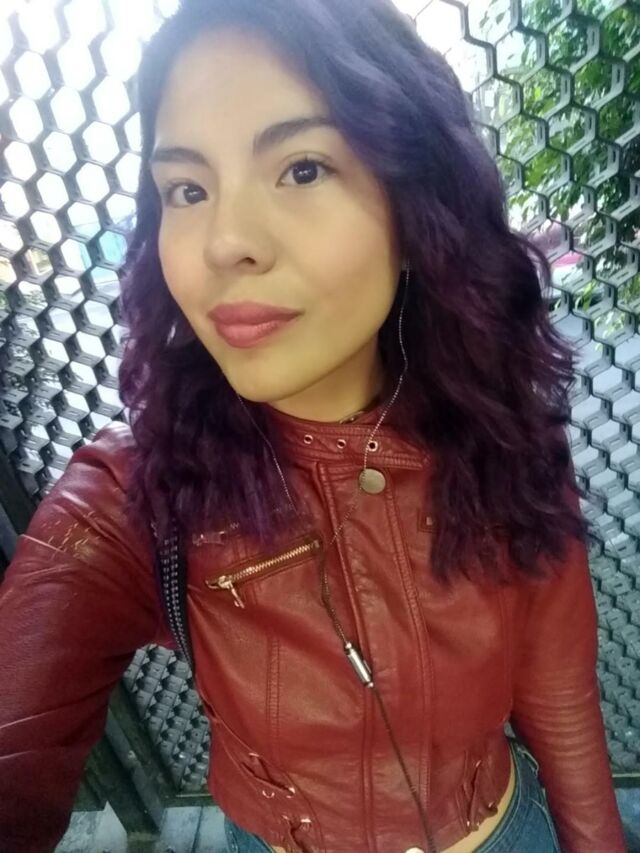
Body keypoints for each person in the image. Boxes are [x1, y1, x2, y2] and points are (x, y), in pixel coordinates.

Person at [0, 0, 628, 851]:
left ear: (416, 204)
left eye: (301, 169)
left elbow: (558, 691)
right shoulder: (141, 493)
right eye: (187, 189)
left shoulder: (504, 434)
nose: (226, 241)